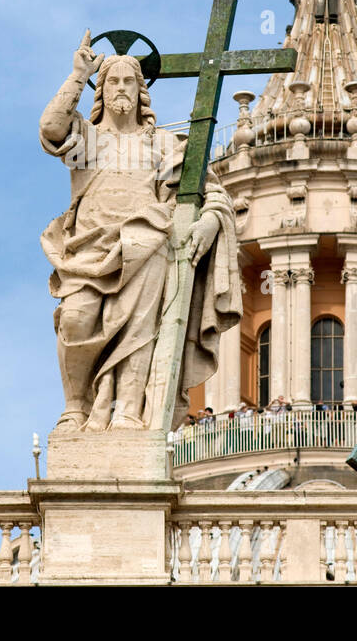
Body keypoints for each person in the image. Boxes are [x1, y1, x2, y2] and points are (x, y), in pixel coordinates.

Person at [41, 33, 242, 432]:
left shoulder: (164, 143)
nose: (120, 88)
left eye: (128, 82)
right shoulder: (87, 139)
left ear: (141, 91)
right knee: (76, 320)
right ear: (101, 90)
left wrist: (208, 221)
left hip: (146, 243)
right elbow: (51, 126)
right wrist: (78, 75)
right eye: (112, 81)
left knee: (140, 330)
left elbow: (211, 190)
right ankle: (77, 407)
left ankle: (129, 411)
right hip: (87, 249)